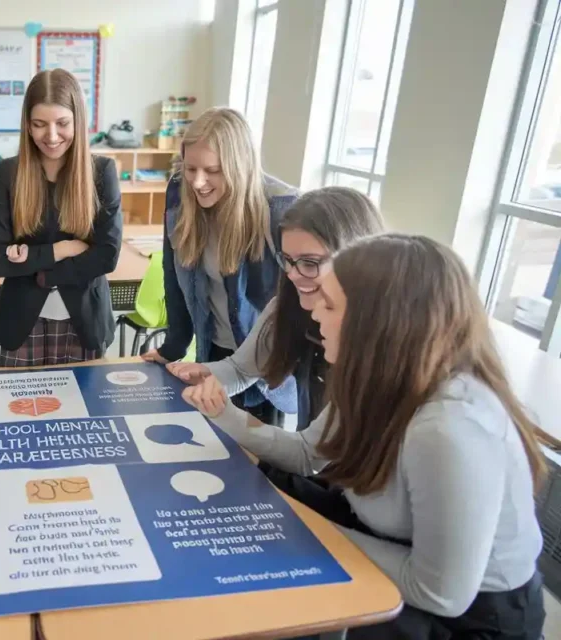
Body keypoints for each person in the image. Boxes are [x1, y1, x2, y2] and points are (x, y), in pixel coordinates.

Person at [184, 234, 547, 639]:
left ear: (379, 324)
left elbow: (440, 593)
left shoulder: (449, 429)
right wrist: (226, 417)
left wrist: (298, 527)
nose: (315, 313)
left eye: (331, 304)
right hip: (384, 541)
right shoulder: (374, 376)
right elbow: (307, 455)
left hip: (469, 620)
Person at [167, 187, 385, 426]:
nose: (292, 274)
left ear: (355, 257)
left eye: (310, 263)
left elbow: (312, 451)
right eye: (287, 260)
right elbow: (308, 449)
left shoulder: (385, 348)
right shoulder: (287, 305)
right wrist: (208, 376)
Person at [142, 107, 298, 424]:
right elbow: (173, 276)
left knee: (257, 461)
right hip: (213, 352)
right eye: (190, 169)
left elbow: (299, 306)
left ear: (239, 166)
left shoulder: (282, 209)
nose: (198, 183)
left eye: (212, 171)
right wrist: (173, 346)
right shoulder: (179, 192)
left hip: (263, 369)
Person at [0, 69, 122, 366]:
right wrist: (63, 250)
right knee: (17, 411)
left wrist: (44, 273)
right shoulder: (7, 174)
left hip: (84, 322)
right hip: (22, 323)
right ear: (27, 125)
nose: (52, 136)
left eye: (62, 123)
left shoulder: (102, 173)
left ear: (78, 122)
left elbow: (106, 256)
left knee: (86, 410)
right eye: (39, 124)